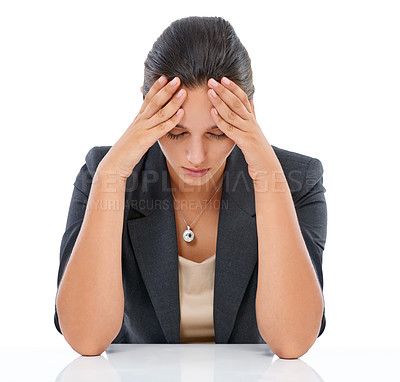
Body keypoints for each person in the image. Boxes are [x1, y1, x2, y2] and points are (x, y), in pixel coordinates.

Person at [54, 16, 327, 359]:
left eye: (217, 133)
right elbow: (85, 339)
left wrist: (265, 170)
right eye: (177, 133)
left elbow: (292, 343)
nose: (196, 156)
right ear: (148, 114)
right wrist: (112, 175)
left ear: (247, 115)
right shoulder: (103, 174)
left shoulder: (298, 180)